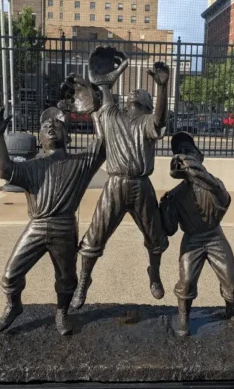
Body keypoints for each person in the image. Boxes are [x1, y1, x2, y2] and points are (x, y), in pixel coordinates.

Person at [0, 81, 104, 335]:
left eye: (58, 125)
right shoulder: (31, 167)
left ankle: (62, 313)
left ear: (68, 136)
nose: (51, 127)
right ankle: (14, 306)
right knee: (10, 276)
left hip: (64, 227)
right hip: (38, 225)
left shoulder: (81, 163)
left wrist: (93, 109)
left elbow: (103, 141)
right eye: (45, 126)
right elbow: (4, 170)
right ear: (40, 139)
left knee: (67, 279)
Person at [71, 46, 170, 309]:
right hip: (114, 184)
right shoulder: (112, 115)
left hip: (141, 186)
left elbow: (160, 119)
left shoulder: (148, 122)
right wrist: (103, 82)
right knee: (95, 237)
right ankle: (84, 281)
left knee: (155, 237)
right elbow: (104, 93)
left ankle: (155, 275)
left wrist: (162, 87)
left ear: (147, 105)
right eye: (131, 96)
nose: (133, 96)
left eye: (139, 97)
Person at [159, 132, 234, 336]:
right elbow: (170, 229)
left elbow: (225, 201)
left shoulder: (213, 184)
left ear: (199, 156)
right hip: (192, 239)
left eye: (189, 151)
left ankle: (232, 309)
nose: (185, 156)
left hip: (214, 235)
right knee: (187, 280)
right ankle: (183, 316)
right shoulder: (175, 195)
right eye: (181, 153)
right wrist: (164, 209)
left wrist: (197, 173)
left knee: (231, 278)